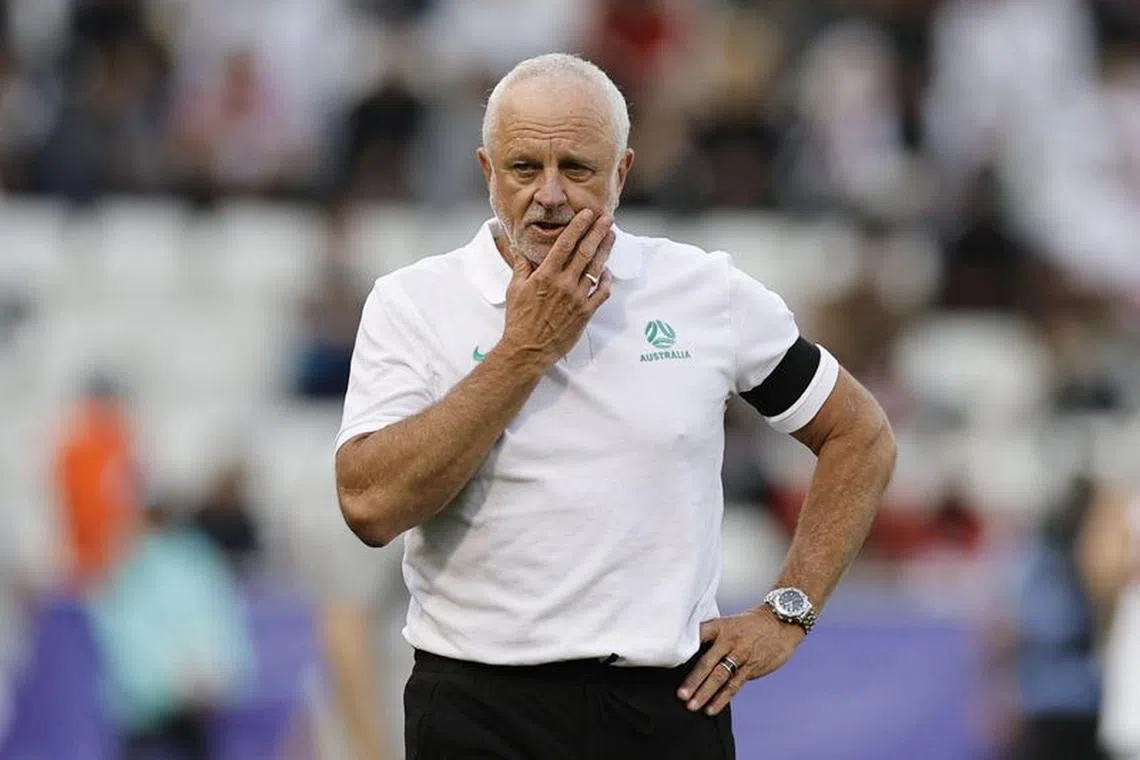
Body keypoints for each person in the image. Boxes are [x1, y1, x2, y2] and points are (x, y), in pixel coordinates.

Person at [334, 53, 897, 759]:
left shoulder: (701, 294)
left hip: (664, 705)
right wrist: (525, 350)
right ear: (485, 171)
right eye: (523, 168)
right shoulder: (414, 303)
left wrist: (791, 610)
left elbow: (860, 434)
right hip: (476, 708)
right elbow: (370, 507)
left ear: (622, 174)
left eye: (576, 168)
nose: (549, 195)